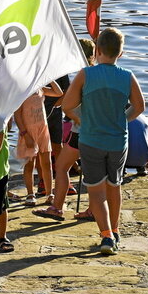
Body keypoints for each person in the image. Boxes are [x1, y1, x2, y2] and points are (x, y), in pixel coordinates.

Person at [62, 28, 145, 255]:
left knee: (96, 191)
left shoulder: (85, 75)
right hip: (118, 140)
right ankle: (115, 229)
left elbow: (67, 106)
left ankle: (106, 235)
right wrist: (122, 119)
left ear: (96, 50)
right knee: (114, 186)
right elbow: (139, 107)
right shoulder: (128, 76)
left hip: (91, 140)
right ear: (121, 53)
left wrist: (83, 118)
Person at [34, 38, 96, 221]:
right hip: (101, 131)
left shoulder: (81, 76)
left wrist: (76, 118)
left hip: (81, 130)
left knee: (61, 166)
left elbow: (68, 104)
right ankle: (93, 209)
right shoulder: (103, 74)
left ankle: (57, 208)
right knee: (94, 171)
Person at [14, 82, 63, 207]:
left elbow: (59, 92)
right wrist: (25, 134)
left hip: (42, 129)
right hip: (28, 132)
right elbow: (17, 115)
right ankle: (30, 194)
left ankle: (49, 193)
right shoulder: (22, 91)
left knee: (47, 163)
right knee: (30, 163)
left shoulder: (40, 88)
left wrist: (50, 78)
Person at [40, 73, 71, 195]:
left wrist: (59, 103)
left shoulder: (59, 66)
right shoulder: (37, 64)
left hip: (55, 111)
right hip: (37, 110)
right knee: (40, 149)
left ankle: (63, 179)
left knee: (58, 145)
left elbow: (67, 88)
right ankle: (42, 181)